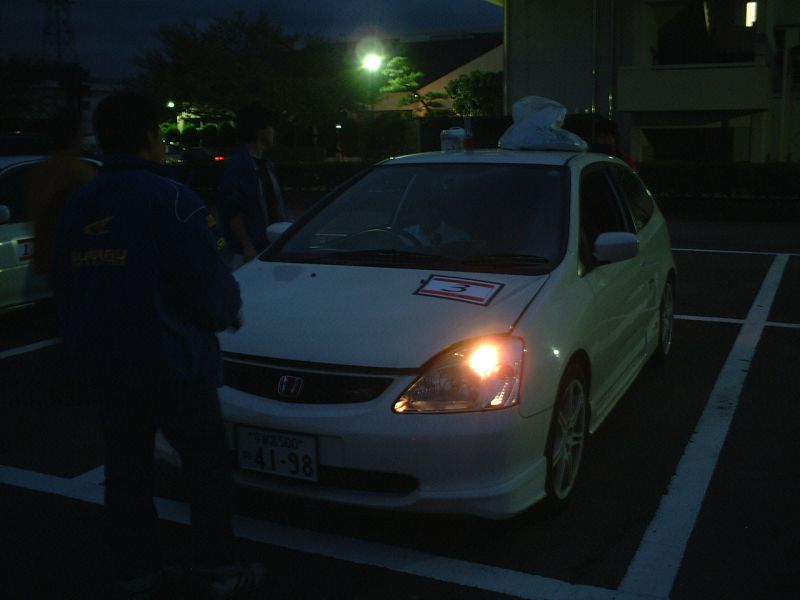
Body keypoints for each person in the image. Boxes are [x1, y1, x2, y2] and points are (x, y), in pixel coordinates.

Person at [52, 90, 264, 599]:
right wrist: (227, 313)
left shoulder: (80, 203)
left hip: (107, 364)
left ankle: (137, 573)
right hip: (173, 362)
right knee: (206, 467)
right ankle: (216, 568)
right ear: (151, 136)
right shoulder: (172, 200)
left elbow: (65, 285)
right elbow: (209, 283)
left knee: (126, 471)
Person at [29, 105, 98, 277]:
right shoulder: (77, 171)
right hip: (73, 260)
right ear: (75, 135)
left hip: (46, 259)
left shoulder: (41, 170)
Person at [217, 103, 288, 267]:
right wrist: (246, 245)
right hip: (251, 252)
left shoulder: (266, 164)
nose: (274, 132)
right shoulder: (240, 167)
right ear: (260, 130)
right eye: (271, 127)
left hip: (269, 247)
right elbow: (232, 209)